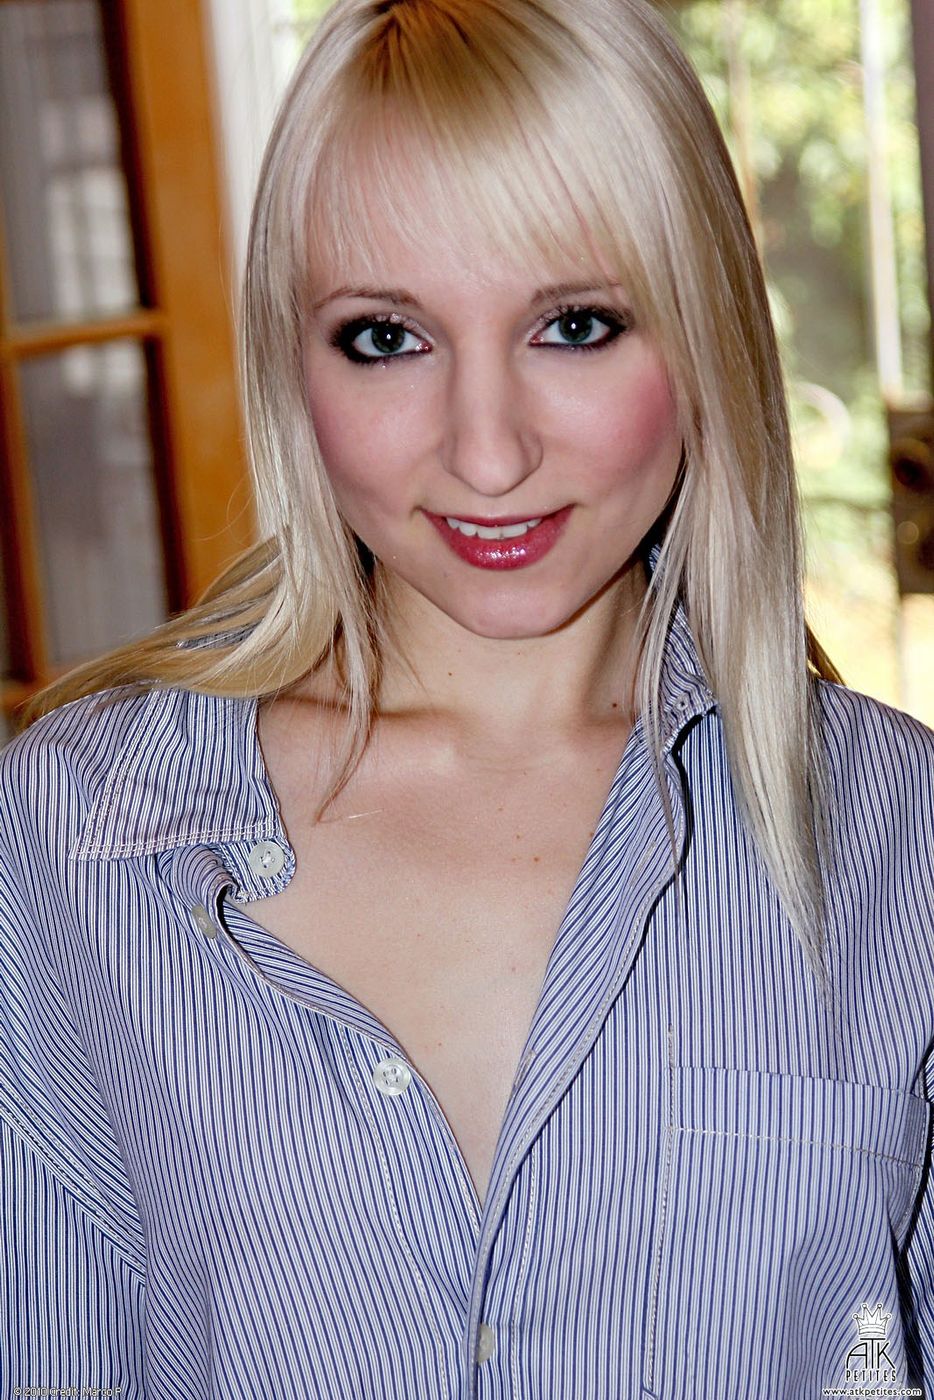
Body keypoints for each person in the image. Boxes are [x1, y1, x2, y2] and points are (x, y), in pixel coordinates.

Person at [2, 0, 932, 1394]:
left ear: (703, 337)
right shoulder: (76, 836)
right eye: (386, 338)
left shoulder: (899, 834)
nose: (487, 455)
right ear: (290, 361)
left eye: (575, 324)